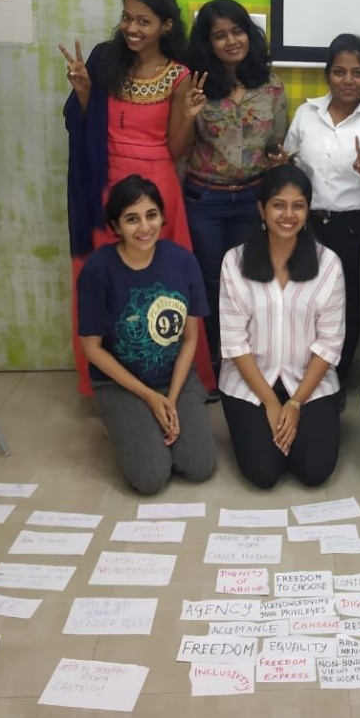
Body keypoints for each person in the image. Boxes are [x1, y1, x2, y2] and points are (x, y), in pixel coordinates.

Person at [60, 0, 215, 396]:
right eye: (127, 17)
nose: (132, 27)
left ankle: (170, 373)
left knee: (162, 278)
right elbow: (88, 124)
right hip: (104, 186)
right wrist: (85, 91)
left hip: (156, 188)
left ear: (166, 26)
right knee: (106, 277)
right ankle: (109, 380)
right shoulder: (105, 61)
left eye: (143, 21)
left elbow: (177, 149)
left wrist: (190, 114)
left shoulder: (181, 75)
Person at [76, 175, 216, 495]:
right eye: (131, 219)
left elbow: (190, 338)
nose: (144, 228)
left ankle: (149, 421)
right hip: (120, 381)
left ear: (163, 217)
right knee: (151, 478)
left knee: (198, 465)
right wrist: (150, 398)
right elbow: (92, 348)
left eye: (151, 215)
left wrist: (171, 396)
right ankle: (124, 420)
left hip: (172, 375)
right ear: (115, 226)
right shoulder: (98, 270)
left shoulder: (183, 261)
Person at [181, 0, 290, 381]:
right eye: (219, 35)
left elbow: (276, 143)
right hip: (204, 200)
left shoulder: (271, 86)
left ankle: (248, 363)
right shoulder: (196, 85)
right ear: (207, 43)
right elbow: (178, 147)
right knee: (211, 282)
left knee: (249, 280)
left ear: (250, 33)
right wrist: (187, 113)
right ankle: (213, 365)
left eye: (237, 31)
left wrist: (279, 162)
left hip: (251, 199)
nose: (231, 41)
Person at [218, 164, 345, 489]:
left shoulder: (328, 263)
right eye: (278, 205)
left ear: (308, 210)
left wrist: (295, 402)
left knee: (315, 472)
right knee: (264, 474)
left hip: (308, 385)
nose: (288, 215)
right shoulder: (235, 261)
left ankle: (305, 425)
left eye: (298, 206)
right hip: (250, 383)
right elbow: (235, 343)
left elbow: (330, 344)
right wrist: (272, 403)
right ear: (262, 209)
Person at [285, 34, 360, 388]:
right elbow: (291, 163)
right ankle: (298, 376)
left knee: (346, 306)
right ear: (327, 74)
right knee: (301, 299)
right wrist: (282, 164)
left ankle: (334, 380)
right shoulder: (307, 113)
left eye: (358, 73)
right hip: (305, 224)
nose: (348, 81)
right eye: (339, 72)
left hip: (354, 227)